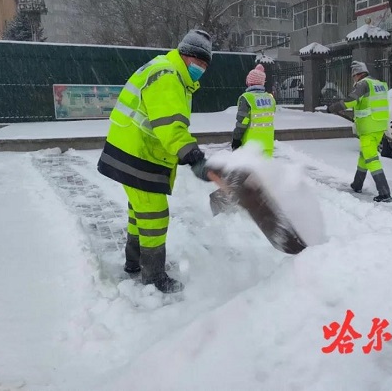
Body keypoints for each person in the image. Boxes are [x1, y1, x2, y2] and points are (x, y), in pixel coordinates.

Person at [97, 29, 214, 293]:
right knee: (155, 216)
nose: (202, 69)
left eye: (206, 64)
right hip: (137, 154)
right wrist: (192, 155)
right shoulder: (168, 76)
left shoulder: (168, 70)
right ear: (185, 56)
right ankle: (153, 276)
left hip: (132, 150)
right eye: (199, 62)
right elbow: (170, 126)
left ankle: (134, 262)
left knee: (140, 213)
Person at [328, 61, 392, 203]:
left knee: (371, 159)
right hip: (380, 125)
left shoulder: (363, 84)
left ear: (357, 74)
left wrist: (333, 107)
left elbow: (351, 101)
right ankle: (357, 184)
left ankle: (384, 192)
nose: (354, 79)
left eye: (353, 76)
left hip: (368, 127)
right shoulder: (379, 84)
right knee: (364, 156)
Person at [231, 64, 276, 157]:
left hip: (251, 144)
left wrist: (236, 139)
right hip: (268, 142)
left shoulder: (246, 97)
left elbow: (243, 121)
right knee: (266, 169)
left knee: (250, 170)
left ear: (249, 82)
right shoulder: (270, 98)